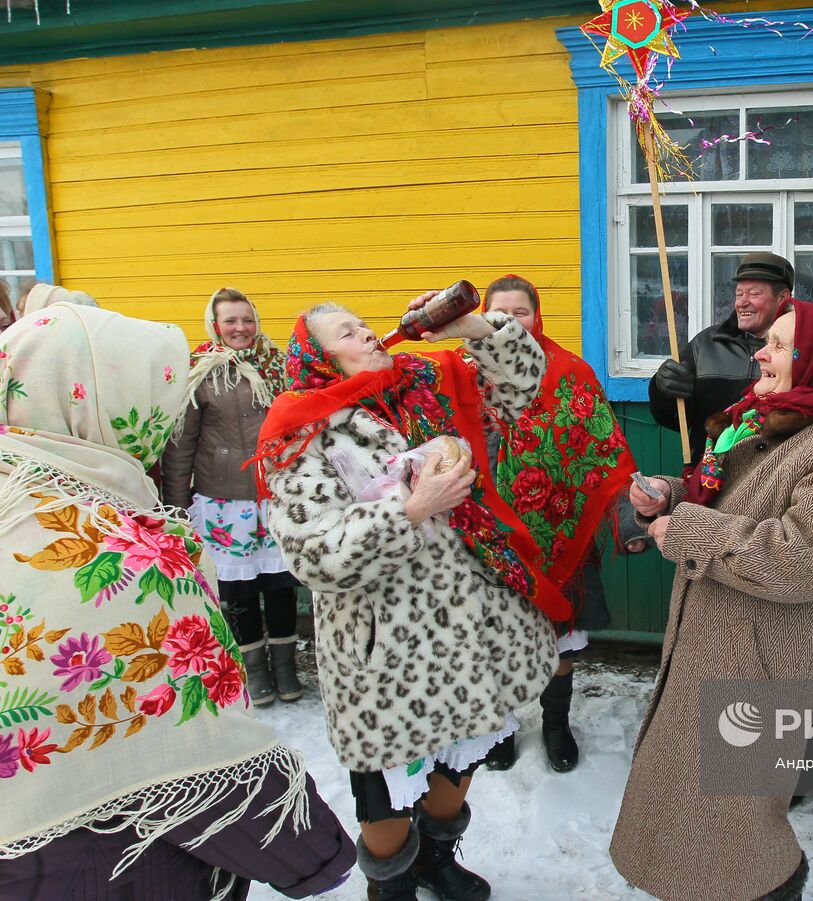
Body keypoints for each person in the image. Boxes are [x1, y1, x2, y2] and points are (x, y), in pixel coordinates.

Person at [0, 302, 353, 899]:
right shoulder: (118, 559)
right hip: (105, 868)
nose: (163, 424)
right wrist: (317, 857)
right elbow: (204, 761)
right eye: (155, 399)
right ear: (105, 403)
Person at [255, 297, 561, 901]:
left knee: (462, 755)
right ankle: (390, 883)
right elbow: (314, 557)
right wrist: (411, 510)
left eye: (363, 323)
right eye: (347, 332)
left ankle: (436, 860)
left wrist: (472, 328)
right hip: (384, 647)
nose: (366, 332)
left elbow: (526, 383)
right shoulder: (297, 435)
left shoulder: (421, 384)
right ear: (318, 357)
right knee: (387, 789)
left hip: (467, 624)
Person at [611, 299, 813, 901]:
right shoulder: (767, 419)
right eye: (768, 342)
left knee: (736, 820)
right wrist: (670, 494)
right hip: (712, 642)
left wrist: (681, 531)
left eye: (779, 345)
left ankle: (767, 888)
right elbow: (731, 497)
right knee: (691, 806)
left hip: (759, 662)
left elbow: (802, 559)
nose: (760, 351)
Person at [475, 275, 643, 775]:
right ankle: (500, 727)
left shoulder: (569, 371)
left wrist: (629, 516)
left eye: (519, 312)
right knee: (496, 636)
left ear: (538, 314)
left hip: (559, 527)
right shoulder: (464, 373)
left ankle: (554, 724)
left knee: (558, 639)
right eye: (497, 313)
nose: (508, 322)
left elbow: (603, 452)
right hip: (488, 533)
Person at [162, 288, 303, 707]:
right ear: (214, 325)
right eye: (230, 321)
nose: (240, 328)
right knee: (237, 587)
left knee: (280, 582)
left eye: (247, 319)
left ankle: (285, 666)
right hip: (224, 500)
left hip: (273, 493)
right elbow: (182, 442)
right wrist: (176, 502)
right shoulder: (199, 372)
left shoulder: (278, 366)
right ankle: (254, 669)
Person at [649, 252, 794, 462]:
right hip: (709, 481)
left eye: (753, 294)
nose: (742, 303)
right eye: (738, 294)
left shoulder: (800, 350)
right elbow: (674, 419)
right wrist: (663, 392)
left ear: (782, 298)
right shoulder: (705, 345)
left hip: (772, 479)